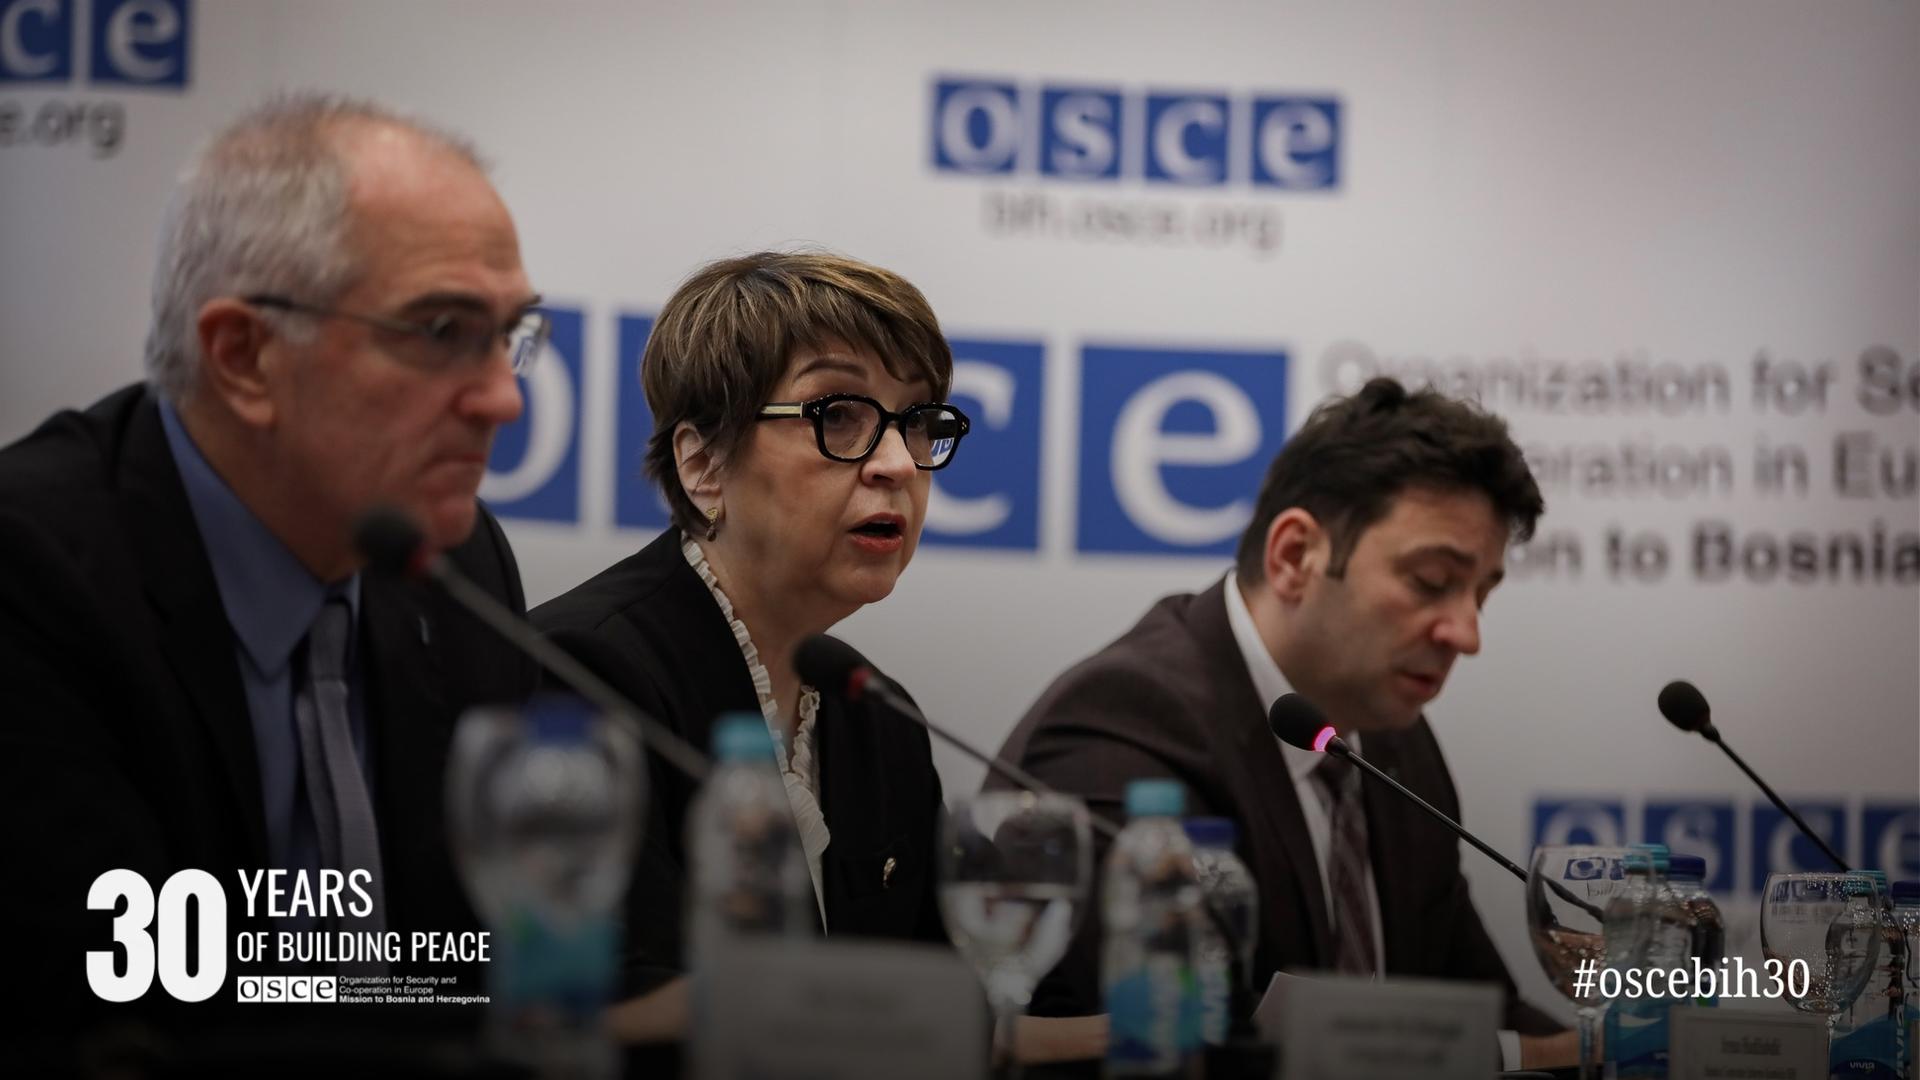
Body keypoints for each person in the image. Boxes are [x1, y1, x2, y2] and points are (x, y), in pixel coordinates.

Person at [0, 95, 542, 1063]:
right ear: (245, 357)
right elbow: (119, 1008)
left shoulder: (457, 566)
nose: (504, 397)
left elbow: (482, 955)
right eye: (440, 330)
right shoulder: (29, 570)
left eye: (510, 335)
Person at [532, 252, 1103, 1064]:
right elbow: (600, 1005)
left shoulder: (877, 716)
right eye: (838, 415)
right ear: (702, 465)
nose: (897, 464)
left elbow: (941, 1015)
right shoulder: (584, 673)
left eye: (917, 420)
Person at [994, 376, 1579, 1069]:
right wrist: (1513, 1056)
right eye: (1431, 581)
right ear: (1295, 557)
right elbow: (1174, 1034)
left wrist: (1629, 1041)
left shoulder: (1394, 740)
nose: (1467, 633)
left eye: (1481, 594)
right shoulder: (1125, 719)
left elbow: (1476, 1000)